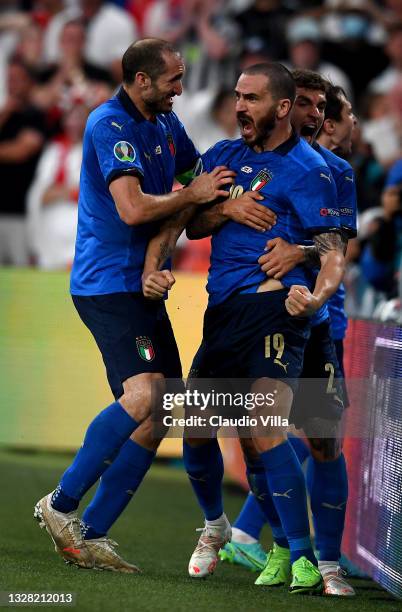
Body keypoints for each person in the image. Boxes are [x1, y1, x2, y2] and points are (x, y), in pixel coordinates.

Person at [34, 37, 236, 573]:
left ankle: (90, 534)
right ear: (142, 80)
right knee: (145, 394)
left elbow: (198, 192)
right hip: (106, 282)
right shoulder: (109, 125)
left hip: (140, 283)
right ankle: (58, 504)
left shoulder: (168, 125)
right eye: (173, 78)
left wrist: (230, 204)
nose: (180, 88)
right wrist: (192, 200)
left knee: (158, 414)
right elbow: (131, 208)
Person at [143, 62, 346, 594]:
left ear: (281, 108)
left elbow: (334, 248)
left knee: (265, 423)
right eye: (237, 96)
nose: (239, 107)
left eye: (251, 99)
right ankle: (218, 527)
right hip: (223, 310)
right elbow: (192, 223)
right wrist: (228, 209)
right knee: (199, 428)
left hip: (275, 309)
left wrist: (311, 286)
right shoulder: (222, 157)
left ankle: (305, 558)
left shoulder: (310, 169)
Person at [220, 75, 357, 597]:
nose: (315, 114)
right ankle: (281, 548)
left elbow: (335, 251)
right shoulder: (246, 161)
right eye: (305, 103)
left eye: (322, 107)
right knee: (262, 434)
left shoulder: (335, 173)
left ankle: (327, 564)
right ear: (283, 107)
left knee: (323, 440)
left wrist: (301, 256)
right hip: (261, 319)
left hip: (320, 323)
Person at [0, 58, 46, 265]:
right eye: (9, 79)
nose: (12, 85)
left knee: (20, 274)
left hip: (21, 213)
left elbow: (21, 151)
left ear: (30, 83)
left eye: (18, 79)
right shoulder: (4, 116)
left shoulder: (35, 115)